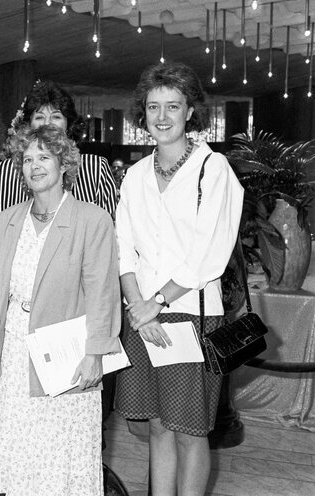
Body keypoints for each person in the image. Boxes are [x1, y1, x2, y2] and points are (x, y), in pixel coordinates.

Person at [114, 62, 243, 496]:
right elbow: (122, 247)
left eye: (173, 106)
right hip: (142, 318)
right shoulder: (133, 175)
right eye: (154, 107)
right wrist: (138, 306)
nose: (162, 116)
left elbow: (210, 253)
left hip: (190, 314)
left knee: (189, 430)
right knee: (155, 427)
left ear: (190, 111)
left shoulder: (214, 169)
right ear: (143, 113)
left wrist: (158, 303)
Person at [0, 124, 121, 496]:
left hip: (66, 359)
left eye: (44, 157)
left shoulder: (92, 220)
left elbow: (102, 292)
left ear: (63, 163)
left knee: (59, 463)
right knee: (19, 457)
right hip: (13, 356)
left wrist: (95, 354)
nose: (34, 166)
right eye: (27, 159)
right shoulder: (7, 219)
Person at [0, 81, 118, 221]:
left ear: (69, 125)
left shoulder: (95, 169)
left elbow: (110, 227)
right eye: (40, 117)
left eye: (56, 117)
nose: (47, 123)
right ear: (29, 125)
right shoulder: (4, 172)